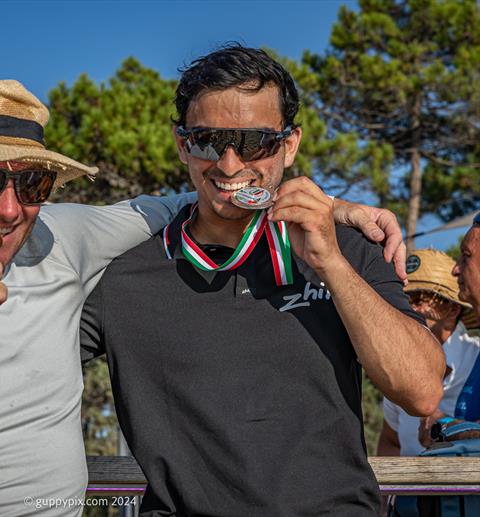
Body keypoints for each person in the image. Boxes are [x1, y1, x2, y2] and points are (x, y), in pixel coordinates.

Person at [0, 72, 408, 516]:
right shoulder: (101, 267)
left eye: (32, 181)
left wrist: (332, 222)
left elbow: (424, 393)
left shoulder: (64, 233)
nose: (7, 205)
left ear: (289, 144)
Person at [76, 45, 444, 515]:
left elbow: (422, 392)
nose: (229, 164)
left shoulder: (348, 248)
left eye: (254, 142)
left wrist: (329, 262)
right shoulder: (123, 278)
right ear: (181, 143)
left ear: (290, 145)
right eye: (208, 140)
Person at [377, 249, 479, 457]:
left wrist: (445, 427)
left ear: (452, 310)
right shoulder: (398, 367)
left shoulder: (477, 358)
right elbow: (390, 442)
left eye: (419, 298)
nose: (406, 309)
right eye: (402, 299)